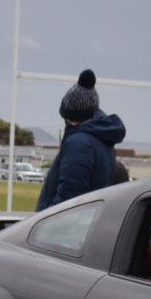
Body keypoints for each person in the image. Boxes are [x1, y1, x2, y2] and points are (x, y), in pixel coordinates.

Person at [36, 70, 126, 210]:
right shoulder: (102, 139)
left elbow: (68, 199)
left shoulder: (79, 144)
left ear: (69, 113)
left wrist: (45, 224)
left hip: (66, 228)